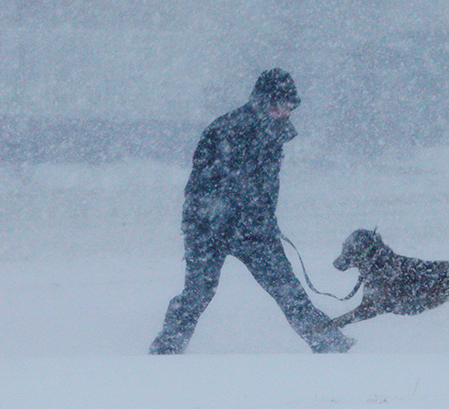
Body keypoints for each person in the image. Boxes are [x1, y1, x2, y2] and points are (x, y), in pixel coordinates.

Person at [149, 69, 353, 354]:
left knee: (288, 291)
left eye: (290, 106)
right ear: (265, 101)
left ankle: (331, 345)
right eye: (282, 104)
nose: (287, 111)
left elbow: (261, 187)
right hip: (209, 229)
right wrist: (228, 218)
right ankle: (166, 350)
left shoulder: (272, 131)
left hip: (254, 229)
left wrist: (263, 219)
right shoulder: (228, 130)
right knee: (198, 293)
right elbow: (205, 186)